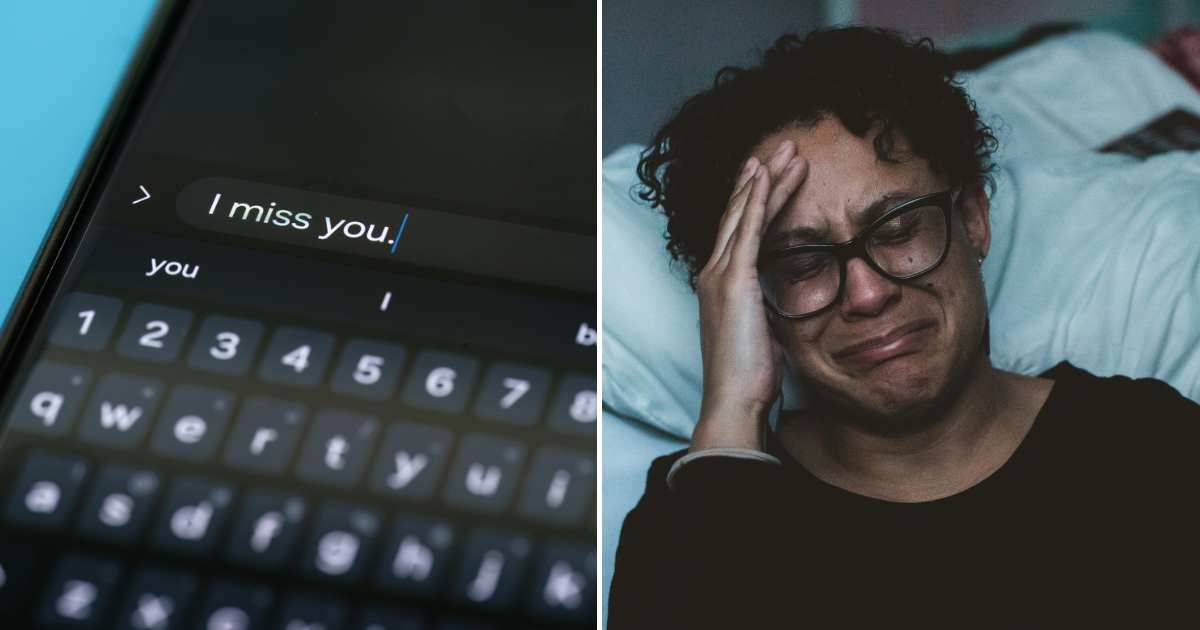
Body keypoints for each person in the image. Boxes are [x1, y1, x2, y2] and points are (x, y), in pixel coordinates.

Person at [607, 27, 1200, 629]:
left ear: (971, 220)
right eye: (803, 263)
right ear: (757, 302)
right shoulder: (703, 506)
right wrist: (732, 407)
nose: (867, 294)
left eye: (897, 230)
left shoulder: (1147, 442)